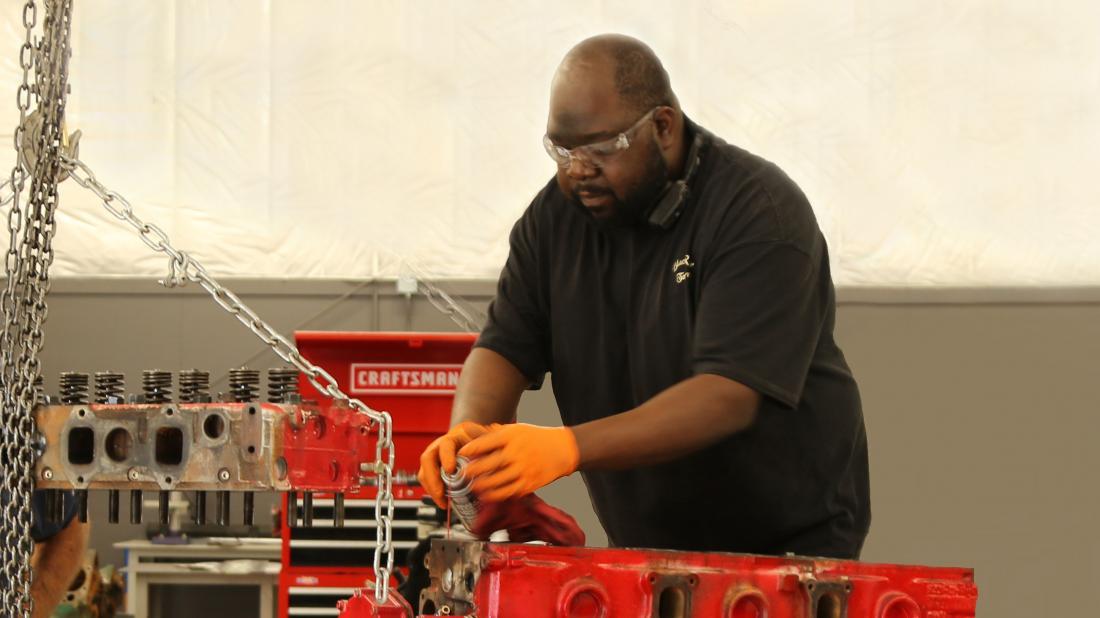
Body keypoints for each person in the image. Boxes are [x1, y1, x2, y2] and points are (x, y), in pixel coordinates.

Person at [418, 33, 870, 559]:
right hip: (645, 545)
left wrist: (567, 447)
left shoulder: (758, 212)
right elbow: (502, 346)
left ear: (662, 126)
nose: (578, 169)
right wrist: (470, 438)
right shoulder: (552, 222)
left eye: (602, 148)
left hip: (788, 543)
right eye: (562, 151)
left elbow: (727, 396)